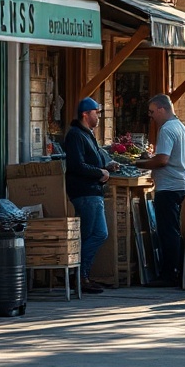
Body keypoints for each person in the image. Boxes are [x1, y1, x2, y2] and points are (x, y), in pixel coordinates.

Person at [63, 97, 119, 294]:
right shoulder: (76, 135)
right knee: (89, 234)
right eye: (96, 112)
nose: (98, 116)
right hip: (85, 193)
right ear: (85, 114)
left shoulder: (88, 135)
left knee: (99, 233)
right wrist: (99, 173)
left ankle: (81, 274)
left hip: (93, 192)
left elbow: (92, 161)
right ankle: (79, 275)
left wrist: (106, 166)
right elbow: (77, 165)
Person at [136, 94, 185, 287]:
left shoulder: (167, 129)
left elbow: (162, 160)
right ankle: (177, 271)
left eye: (152, 112)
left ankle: (169, 275)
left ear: (161, 109)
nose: (151, 116)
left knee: (167, 231)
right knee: (173, 230)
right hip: (180, 185)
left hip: (168, 187)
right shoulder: (182, 128)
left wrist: (140, 162)